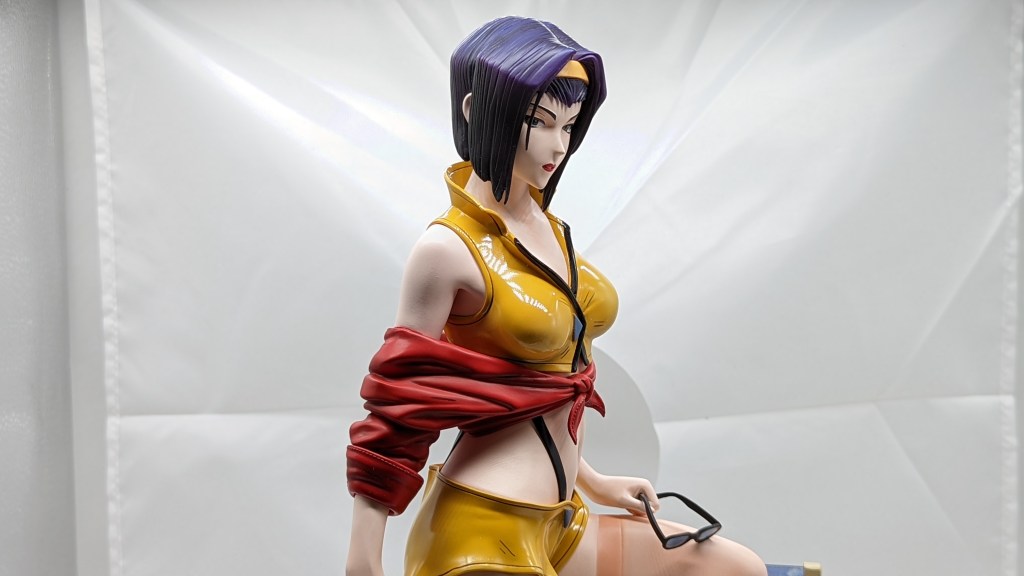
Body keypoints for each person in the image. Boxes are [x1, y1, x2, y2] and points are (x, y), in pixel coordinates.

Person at [345, 16, 767, 576]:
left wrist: (593, 481)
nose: (558, 145)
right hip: (482, 531)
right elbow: (398, 411)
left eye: (569, 125)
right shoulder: (446, 250)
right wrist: (363, 562)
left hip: (561, 521)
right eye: (539, 122)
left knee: (734, 568)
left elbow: (547, 386)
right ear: (476, 111)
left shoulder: (550, 227)